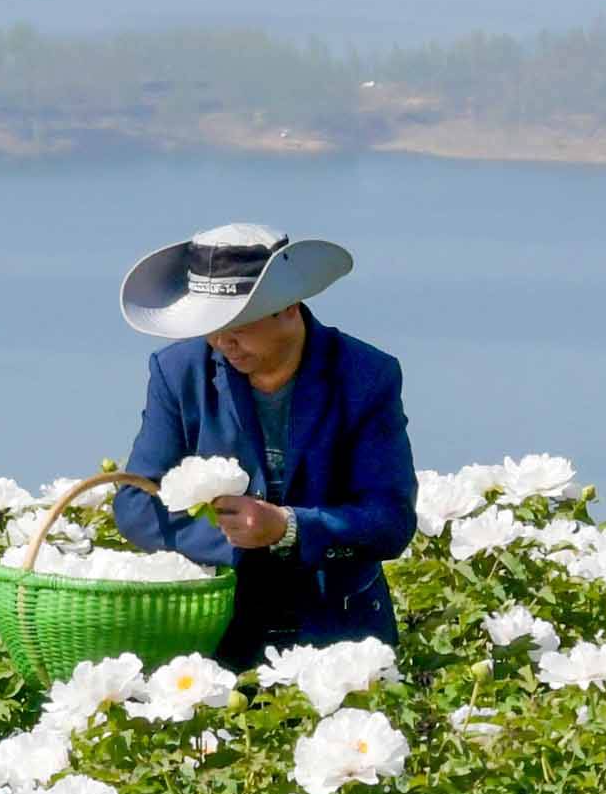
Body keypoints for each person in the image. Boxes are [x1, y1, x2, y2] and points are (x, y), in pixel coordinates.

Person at [104, 224, 416, 660]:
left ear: (287, 307)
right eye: (209, 326)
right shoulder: (178, 372)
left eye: (236, 324)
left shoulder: (366, 376)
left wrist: (287, 527)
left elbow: (390, 521)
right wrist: (237, 540)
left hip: (341, 636)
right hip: (215, 639)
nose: (220, 341)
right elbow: (135, 506)